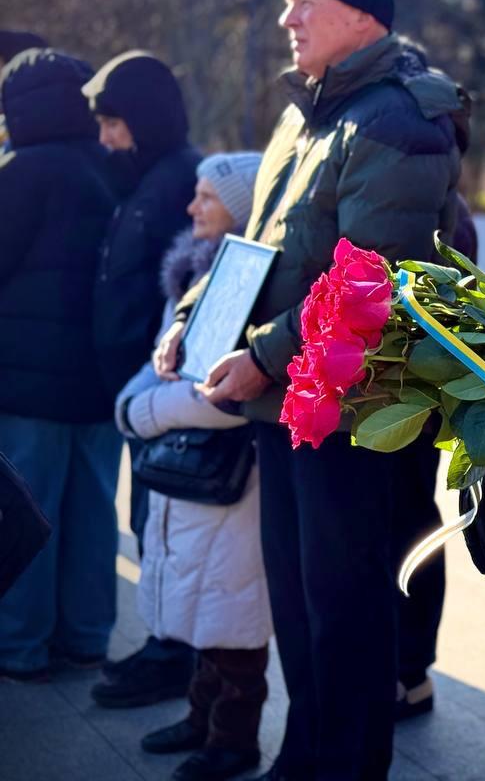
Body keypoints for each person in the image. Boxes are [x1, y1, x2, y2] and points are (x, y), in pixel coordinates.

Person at [155, 0, 464, 781]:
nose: (287, 18)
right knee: (297, 606)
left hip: (348, 409)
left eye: (305, 3)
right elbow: (258, 243)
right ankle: (306, 757)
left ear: (363, 16)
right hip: (285, 402)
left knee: (344, 610)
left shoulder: (398, 117)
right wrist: (196, 317)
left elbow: (370, 274)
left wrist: (259, 353)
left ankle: (344, 766)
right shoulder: (308, 113)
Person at [102, 153, 269, 781]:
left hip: (227, 475)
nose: (192, 207)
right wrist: (141, 401)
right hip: (186, 470)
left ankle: (233, 739)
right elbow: (170, 362)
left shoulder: (255, 283)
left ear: (242, 207)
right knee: (201, 605)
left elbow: (232, 394)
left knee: (231, 612)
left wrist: (146, 412)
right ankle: (201, 719)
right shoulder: (201, 277)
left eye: (207, 197)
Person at [81, 50, 203, 704]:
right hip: (139, 394)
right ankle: (162, 643)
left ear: (144, 120)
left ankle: (174, 656)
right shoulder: (148, 177)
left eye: (113, 124)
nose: (105, 139)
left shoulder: (179, 180)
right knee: (149, 522)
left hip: (163, 395)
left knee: (167, 526)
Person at [0, 48, 118, 680]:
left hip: (26, 383)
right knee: (93, 512)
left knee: (27, 515)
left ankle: (19, 647)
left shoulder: (19, 171)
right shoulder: (111, 167)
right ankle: (88, 635)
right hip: (97, 380)